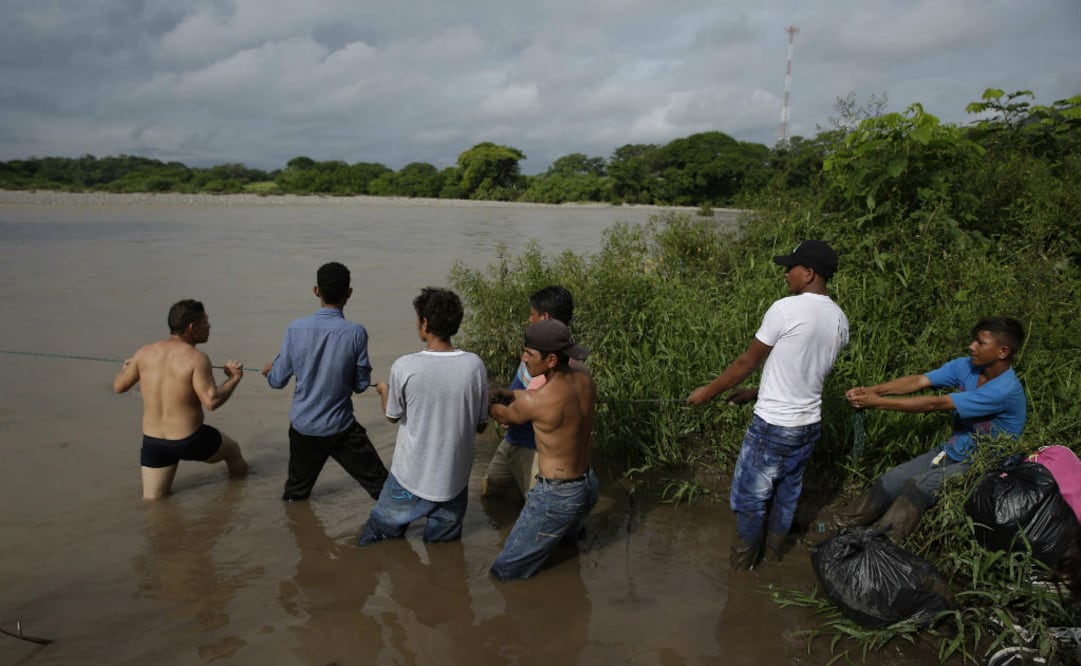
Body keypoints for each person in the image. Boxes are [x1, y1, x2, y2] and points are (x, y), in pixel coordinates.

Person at [687, 240, 849, 570]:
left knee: (749, 498)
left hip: (774, 426)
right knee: (787, 494)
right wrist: (756, 393)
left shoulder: (786, 309)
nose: (786, 273)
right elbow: (801, 372)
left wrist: (707, 393)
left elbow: (746, 361)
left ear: (809, 273)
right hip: (807, 425)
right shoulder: (838, 319)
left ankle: (743, 566)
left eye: (791, 267)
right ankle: (773, 557)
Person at [837, 317, 1027, 541]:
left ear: (1003, 351)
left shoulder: (1004, 389)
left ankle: (881, 545)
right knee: (891, 479)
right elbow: (919, 381)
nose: (971, 347)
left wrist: (876, 403)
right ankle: (834, 525)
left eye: (980, 343)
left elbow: (935, 404)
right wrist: (872, 391)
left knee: (920, 486)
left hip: (985, 464)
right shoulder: (967, 366)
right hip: (952, 451)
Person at [357, 287, 488, 545]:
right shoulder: (474, 366)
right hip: (454, 483)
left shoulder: (405, 366)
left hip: (409, 483)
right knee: (444, 551)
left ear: (425, 323)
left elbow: (393, 415)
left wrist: (384, 391)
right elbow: (481, 425)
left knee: (377, 536)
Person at [262, 262, 389, 501]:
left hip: (303, 428)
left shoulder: (295, 329)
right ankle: (394, 530)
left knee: (295, 495)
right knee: (382, 487)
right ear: (348, 293)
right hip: (341, 429)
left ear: (316, 291)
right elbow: (361, 385)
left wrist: (270, 371)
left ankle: (296, 529)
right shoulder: (356, 333)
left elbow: (277, 381)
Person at [488, 319, 597, 581]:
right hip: (587, 484)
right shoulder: (583, 375)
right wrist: (507, 392)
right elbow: (531, 399)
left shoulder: (539, 401)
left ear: (550, 360)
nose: (523, 358)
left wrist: (487, 401)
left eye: (530, 353)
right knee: (564, 546)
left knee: (504, 573)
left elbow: (504, 416)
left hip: (557, 496)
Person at [113, 299, 249, 499]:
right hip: (189, 440)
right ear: (191, 327)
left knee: (154, 502)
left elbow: (119, 386)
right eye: (205, 322)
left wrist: (126, 368)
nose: (209, 326)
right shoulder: (197, 358)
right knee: (234, 452)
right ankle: (242, 495)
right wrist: (235, 378)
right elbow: (212, 401)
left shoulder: (143, 353)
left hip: (154, 442)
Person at [481, 285, 580, 502]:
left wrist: (485, 405)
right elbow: (523, 390)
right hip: (513, 438)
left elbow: (527, 409)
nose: (529, 318)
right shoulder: (537, 348)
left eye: (532, 314)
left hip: (535, 450)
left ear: (545, 317)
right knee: (493, 491)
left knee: (536, 504)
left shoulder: (559, 362)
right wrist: (504, 396)